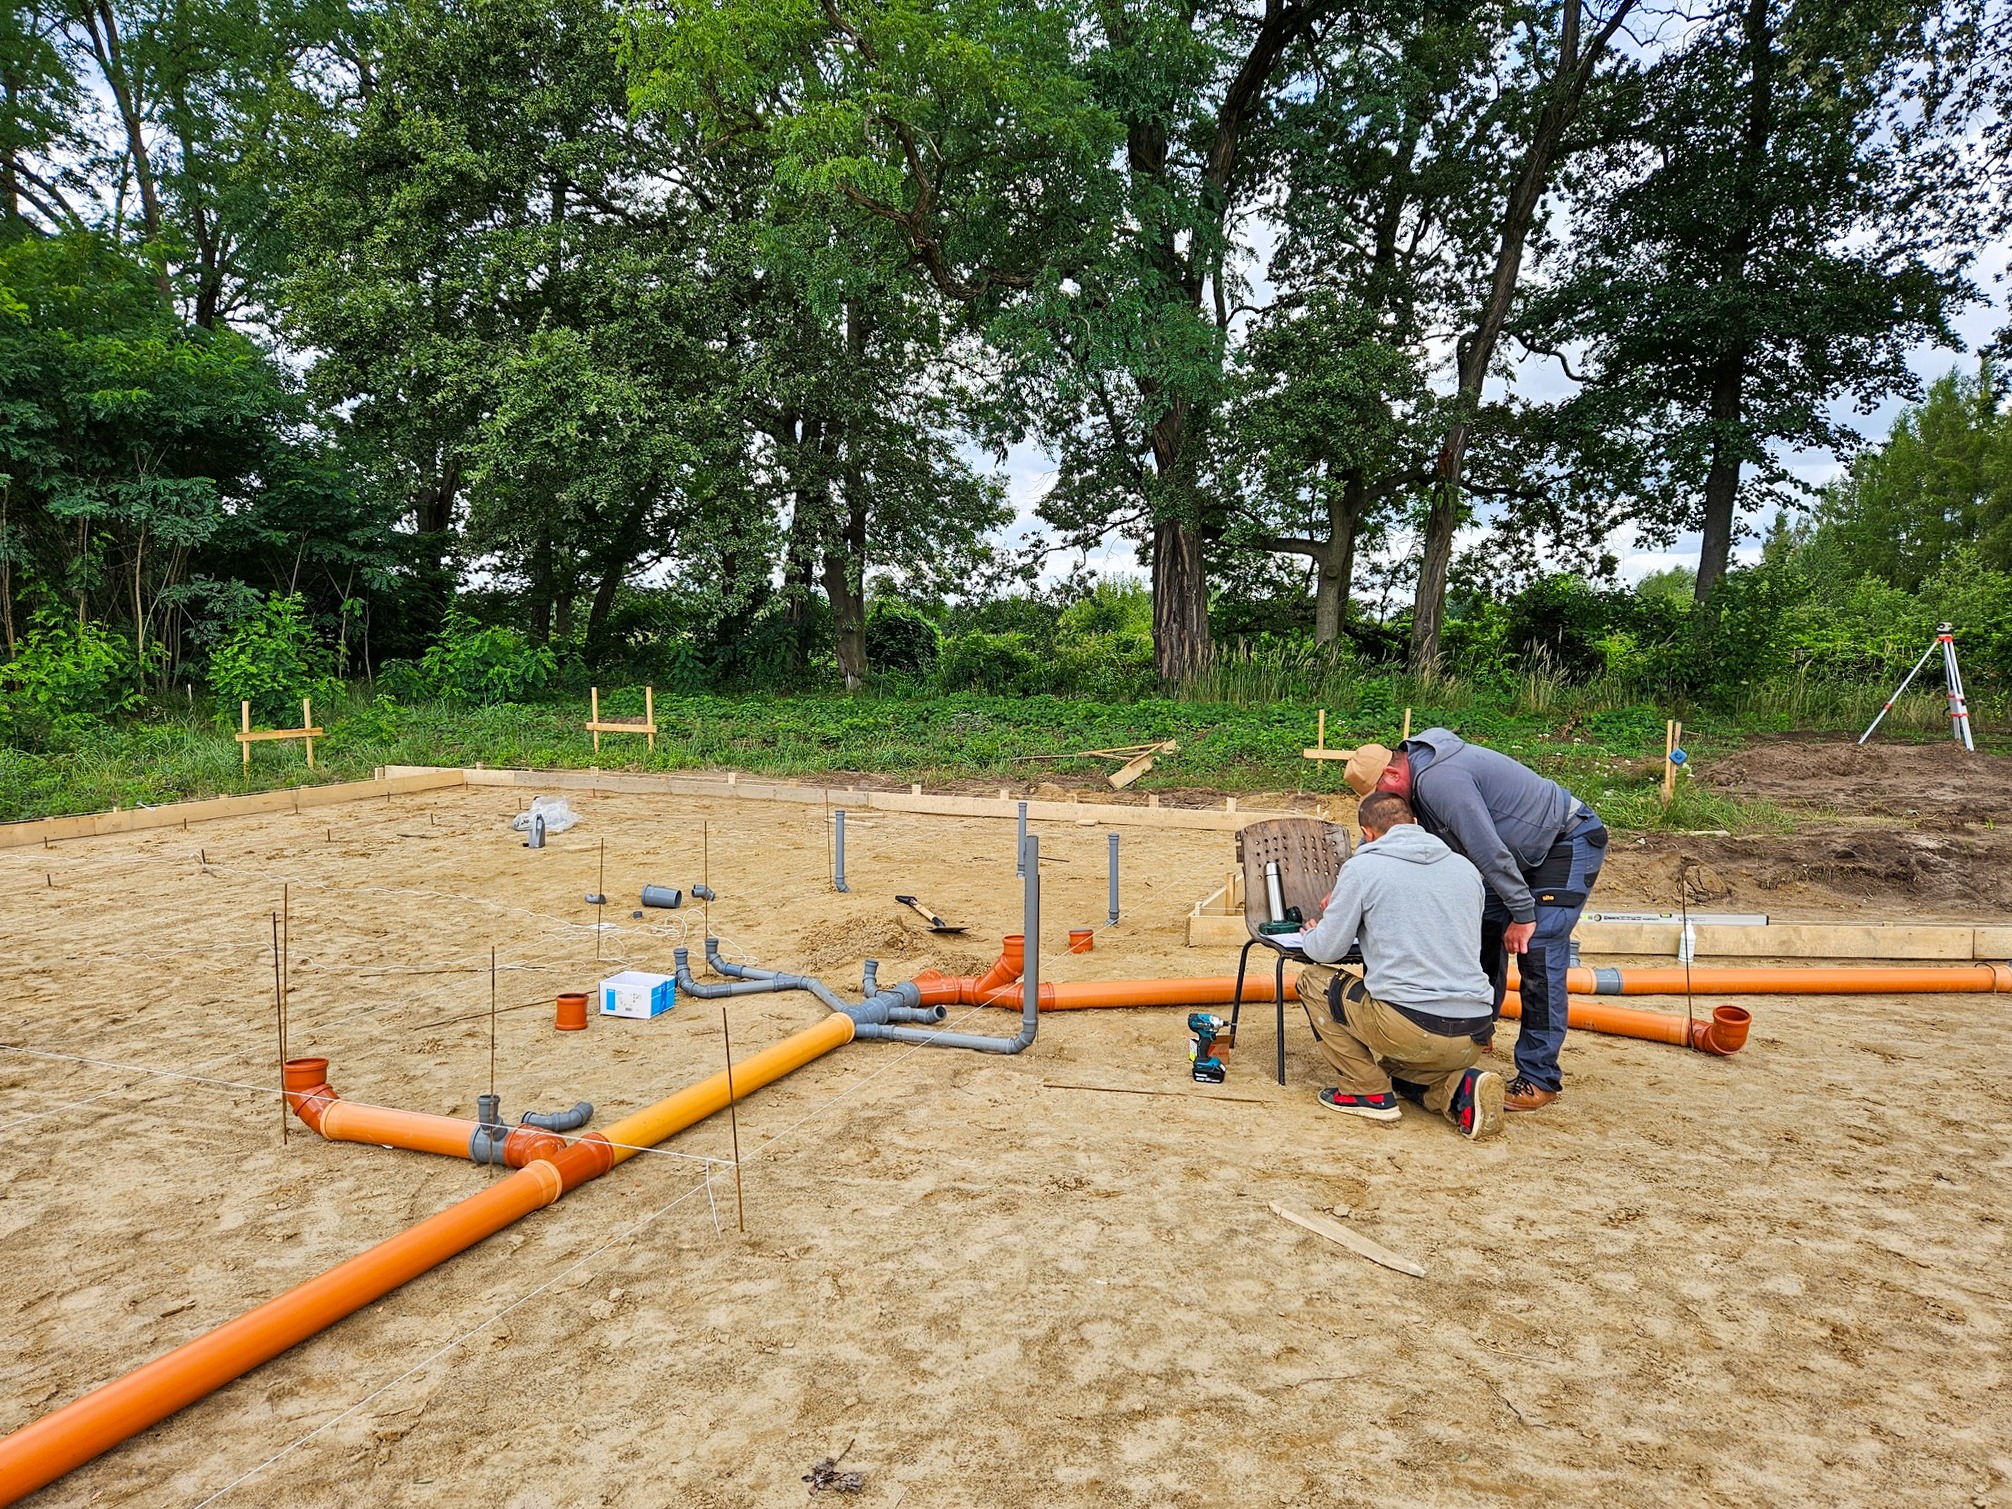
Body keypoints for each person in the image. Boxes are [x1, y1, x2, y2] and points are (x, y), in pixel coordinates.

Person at [1343, 729, 1607, 1112]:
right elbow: (1383, 838)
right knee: (1480, 928)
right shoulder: (1416, 778)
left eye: (1385, 797)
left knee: (1539, 950)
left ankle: (1539, 1078)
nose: (1388, 807)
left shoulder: (1440, 780)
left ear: (1391, 777)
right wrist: (1350, 880)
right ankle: (1474, 1031)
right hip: (1517, 855)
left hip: (1565, 841)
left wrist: (1523, 913)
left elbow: (1486, 848)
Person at [1294, 790, 1506, 1140]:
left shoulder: (1363, 867)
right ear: (1416, 824)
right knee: (1399, 1069)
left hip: (1409, 1027)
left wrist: (1313, 933)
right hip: (1473, 1032)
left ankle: (1367, 1091)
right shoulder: (1465, 869)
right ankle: (1460, 1088)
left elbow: (1326, 951)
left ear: (1368, 833)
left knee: (1313, 980)